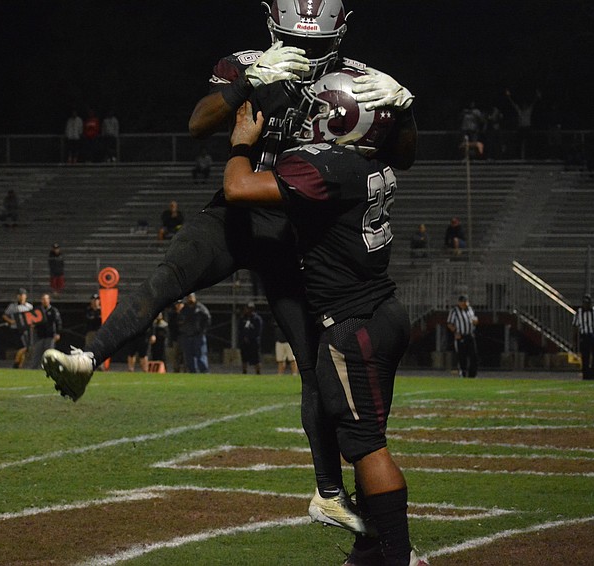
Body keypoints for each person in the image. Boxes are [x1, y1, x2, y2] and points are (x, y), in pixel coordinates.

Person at [42, 0, 416, 537]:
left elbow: (402, 154)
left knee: (313, 364)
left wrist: (404, 107)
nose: (304, 52)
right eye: (295, 40)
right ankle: (88, 357)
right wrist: (248, 82)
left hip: (293, 226)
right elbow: (198, 123)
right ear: (272, 29)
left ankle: (329, 493)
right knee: (169, 277)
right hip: (238, 210)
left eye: (313, 43)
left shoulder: (359, 81)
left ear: (339, 35)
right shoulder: (246, 64)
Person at [223, 71, 425, 565]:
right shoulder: (374, 159)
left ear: (338, 117)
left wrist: (241, 143)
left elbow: (238, 188)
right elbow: (405, 148)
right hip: (382, 311)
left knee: (366, 446)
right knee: (363, 437)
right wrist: (405, 113)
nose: (309, 117)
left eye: (318, 109)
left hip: (352, 324)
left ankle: (400, 556)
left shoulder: (330, 166)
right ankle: (369, 553)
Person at [572, 293, 594, 380]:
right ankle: (586, 375)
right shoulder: (579, 313)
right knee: (585, 356)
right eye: (584, 303)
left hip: (593, 335)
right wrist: (574, 339)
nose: (586, 305)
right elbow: (575, 327)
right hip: (584, 336)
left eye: (587, 303)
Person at [26, 293, 61, 370]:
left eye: (46, 299)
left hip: (50, 335)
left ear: (49, 300)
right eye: (43, 299)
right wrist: (32, 325)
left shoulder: (53, 310)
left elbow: (58, 322)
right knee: (37, 353)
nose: (45, 301)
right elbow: (31, 320)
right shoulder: (37, 310)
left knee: (49, 354)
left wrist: (58, 333)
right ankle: (33, 368)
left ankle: (49, 368)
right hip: (39, 335)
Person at [447, 295, 479, 378]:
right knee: (462, 356)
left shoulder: (470, 309)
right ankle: (463, 373)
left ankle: (472, 375)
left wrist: (475, 322)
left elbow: (475, 320)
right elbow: (450, 323)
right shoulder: (454, 311)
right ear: (459, 302)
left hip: (470, 335)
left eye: (465, 301)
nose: (464, 303)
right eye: (463, 302)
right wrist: (455, 332)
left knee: (473, 356)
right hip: (461, 336)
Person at [178, 293, 211, 373]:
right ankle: (192, 371)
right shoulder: (184, 309)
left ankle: (204, 371)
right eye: (188, 297)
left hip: (198, 335)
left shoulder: (200, 308)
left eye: (191, 297)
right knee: (188, 355)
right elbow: (179, 319)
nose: (189, 299)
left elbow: (207, 319)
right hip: (187, 335)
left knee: (201, 354)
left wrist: (202, 330)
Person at [2, 288, 33, 369]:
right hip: (16, 329)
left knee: (26, 348)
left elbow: (31, 318)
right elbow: (5, 315)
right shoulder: (12, 306)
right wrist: (11, 321)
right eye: (19, 295)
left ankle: (19, 365)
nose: (21, 297)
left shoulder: (29, 306)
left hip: (26, 329)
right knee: (23, 347)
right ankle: (16, 362)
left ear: (25, 296)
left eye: (22, 295)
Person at [239, 301, 263, 374]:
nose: (247, 310)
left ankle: (258, 372)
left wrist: (250, 337)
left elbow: (258, 331)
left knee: (256, 358)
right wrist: (243, 337)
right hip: (244, 341)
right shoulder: (243, 318)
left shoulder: (257, 319)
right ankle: (244, 371)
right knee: (244, 358)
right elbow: (240, 329)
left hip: (253, 341)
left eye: (250, 309)